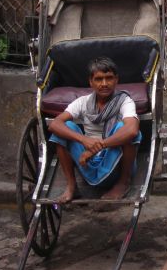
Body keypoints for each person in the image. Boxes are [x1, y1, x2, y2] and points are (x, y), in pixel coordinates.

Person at [47, 57, 141, 202]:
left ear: (116, 80)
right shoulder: (82, 102)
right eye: (98, 79)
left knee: (124, 128)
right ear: (90, 82)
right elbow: (54, 124)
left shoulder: (125, 101)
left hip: (115, 163)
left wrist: (97, 147)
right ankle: (72, 186)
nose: (104, 84)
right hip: (88, 162)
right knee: (64, 128)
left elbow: (132, 130)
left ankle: (123, 183)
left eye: (109, 78)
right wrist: (83, 139)